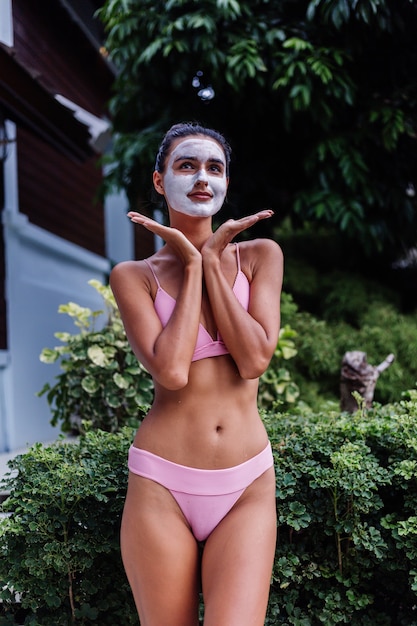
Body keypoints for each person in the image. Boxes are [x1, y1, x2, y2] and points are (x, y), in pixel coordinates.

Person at [110, 121, 284, 626]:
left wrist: (211, 263)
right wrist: (190, 269)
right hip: (161, 483)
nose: (202, 177)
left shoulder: (259, 256)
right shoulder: (133, 276)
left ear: (227, 182)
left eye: (215, 167)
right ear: (160, 181)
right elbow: (170, 371)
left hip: (246, 482)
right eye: (186, 165)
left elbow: (254, 359)